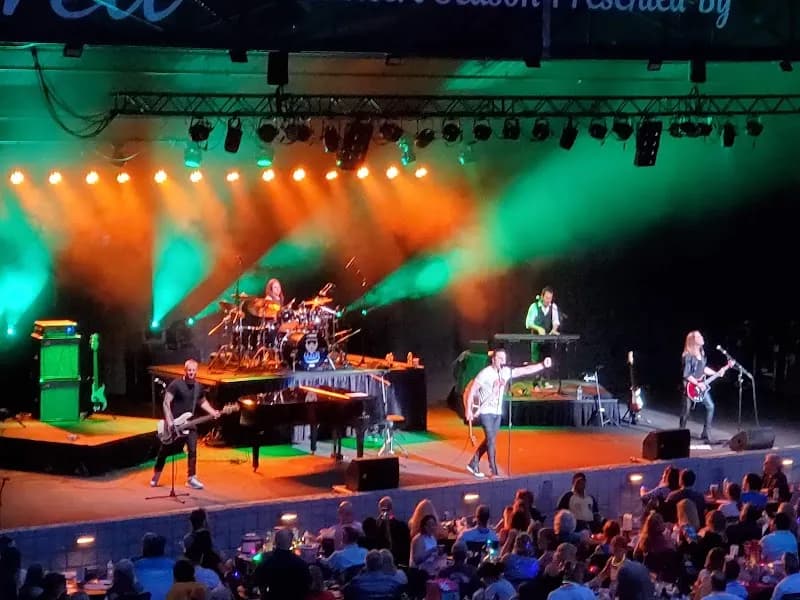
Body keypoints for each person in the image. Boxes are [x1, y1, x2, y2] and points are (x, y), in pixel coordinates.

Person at [464, 347, 552, 478]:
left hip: (497, 412)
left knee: (490, 440)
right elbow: (472, 390)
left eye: (503, 358)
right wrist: (468, 409)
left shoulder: (505, 372)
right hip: (485, 411)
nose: (502, 361)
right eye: (499, 358)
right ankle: (494, 472)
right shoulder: (485, 373)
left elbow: (524, 370)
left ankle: (473, 463)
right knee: (491, 441)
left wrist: (542, 365)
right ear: (493, 359)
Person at [150, 359, 221, 490]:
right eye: (189, 370)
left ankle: (191, 478)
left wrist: (213, 412)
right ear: (185, 370)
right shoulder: (176, 384)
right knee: (164, 450)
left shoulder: (198, 387)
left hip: (189, 422)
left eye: (193, 370)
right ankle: (156, 474)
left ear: (196, 371)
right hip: (174, 423)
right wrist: (170, 421)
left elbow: (202, 402)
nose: (191, 373)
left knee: (193, 450)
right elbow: (166, 402)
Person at [680, 331, 730, 442]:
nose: (702, 337)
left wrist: (716, 373)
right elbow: (686, 375)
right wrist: (698, 384)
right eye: (699, 336)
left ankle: (706, 433)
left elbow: (703, 369)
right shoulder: (688, 356)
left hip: (701, 386)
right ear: (693, 341)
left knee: (710, 406)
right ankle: (680, 433)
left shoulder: (701, 353)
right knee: (686, 412)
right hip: (690, 387)